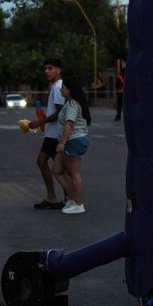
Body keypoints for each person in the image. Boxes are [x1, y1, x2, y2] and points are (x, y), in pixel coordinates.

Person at [32, 58, 67, 209]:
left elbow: (60, 113)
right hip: (51, 134)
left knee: (59, 168)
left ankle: (69, 199)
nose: (46, 71)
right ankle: (52, 197)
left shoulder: (58, 86)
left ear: (58, 70)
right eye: (45, 68)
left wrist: (40, 122)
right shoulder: (54, 86)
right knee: (42, 162)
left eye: (50, 68)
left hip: (56, 135)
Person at [53, 78, 91, 214]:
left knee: (74, 173)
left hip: (75, 140)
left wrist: (62, 143)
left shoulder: (73, 104)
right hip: (70, 141)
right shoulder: (69, 103)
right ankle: (71, 198)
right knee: (57, 169)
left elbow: (69, 124)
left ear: (70, 90)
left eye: (63, 87)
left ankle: (78, 204)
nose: (61, 89)